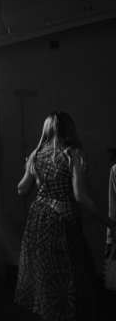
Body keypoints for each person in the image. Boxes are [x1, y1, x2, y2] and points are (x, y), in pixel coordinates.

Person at [14, 111, 116, 321]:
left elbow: (22, 191)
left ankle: (49, 313)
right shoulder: (73, 154)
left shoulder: (36, 154)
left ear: (46, 129)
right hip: (63, 218)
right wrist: (109, 222)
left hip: (38, 218)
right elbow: (80, 196)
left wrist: (29, 167)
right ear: (70, 129)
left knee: (46, 271)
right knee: (70, 271)